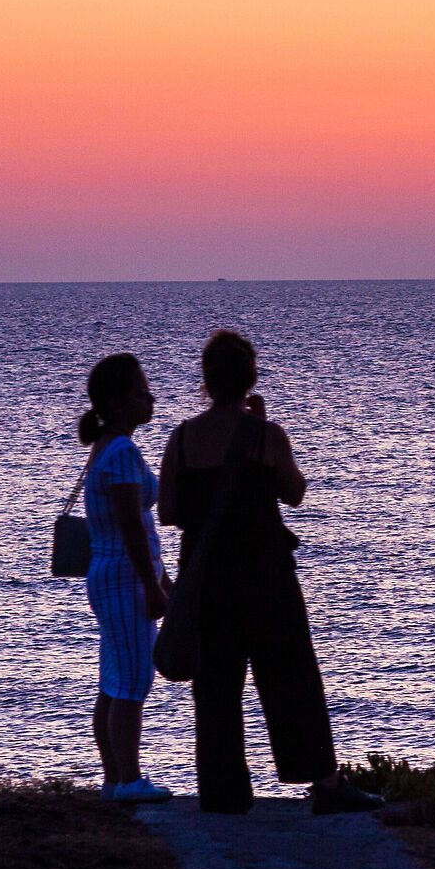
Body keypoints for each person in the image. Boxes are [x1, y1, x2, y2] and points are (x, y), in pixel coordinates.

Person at [158, 329, 382, 816]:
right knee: (291, 678)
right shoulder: (267, 435)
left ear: (207, 380)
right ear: (251, 378)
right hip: (266, 576)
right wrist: (256, 434)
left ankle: (222, 793)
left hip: (209, 581)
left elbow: (169, 511)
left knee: (216, 685)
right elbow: (295, 492)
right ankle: (324, 783)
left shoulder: (180, 440)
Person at [77, 352, 174, 803]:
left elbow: (141, 528)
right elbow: (133, 527)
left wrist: (163, 576)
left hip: (115, 573)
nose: (150, 398)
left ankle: (115, 778)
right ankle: (129, 778)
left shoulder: (110, 448)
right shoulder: (122, 451)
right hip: (123, 578)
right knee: (132, 679)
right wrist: (152, 586)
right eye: (140, 392)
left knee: (114, 679)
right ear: (118, 404)